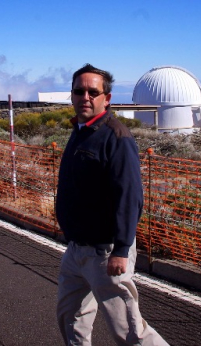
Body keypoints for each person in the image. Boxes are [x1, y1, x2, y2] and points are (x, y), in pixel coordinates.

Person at [55, 64, 168, 346]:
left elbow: (129, 197)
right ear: (71, 95)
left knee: (129, 332)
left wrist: (121, 249)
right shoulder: (80, 131)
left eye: (93, 92)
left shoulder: (116, 137)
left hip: (105, 253)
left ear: (107, 98)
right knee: (71, 318)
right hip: (76, 249)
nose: (85, 97)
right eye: (79, 91)